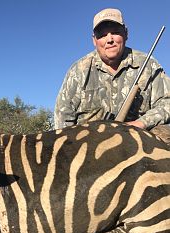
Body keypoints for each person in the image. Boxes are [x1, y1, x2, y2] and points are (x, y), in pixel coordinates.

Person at [54, 8, 170, 137]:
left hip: (137, 140)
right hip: (90, 145)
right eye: (102, 35)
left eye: (115, 32)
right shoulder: (78, 70)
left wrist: (141, 123)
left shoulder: (148, 64)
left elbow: (167, 103)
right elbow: (63, 118)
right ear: (94, 40)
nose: (109, 39)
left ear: (126, 34)